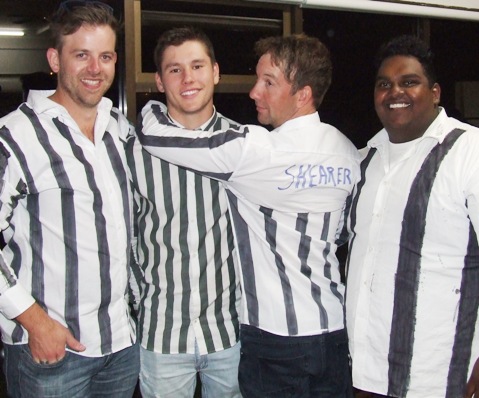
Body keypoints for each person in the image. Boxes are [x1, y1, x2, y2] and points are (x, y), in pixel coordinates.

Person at [136, 33, 360, 397]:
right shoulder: (348, 151)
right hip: (334, 330)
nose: (254, 92)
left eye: (268, 83)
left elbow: (156, 138)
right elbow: (345, 235)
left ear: (302, 94)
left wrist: (151, 108)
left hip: (274, 337)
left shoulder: (255, 151)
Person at [0, 1, 139, 397]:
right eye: (81, 55)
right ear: (54, 60)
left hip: (121, 347)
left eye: (106, 56)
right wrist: (34, 322)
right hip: (50, 353)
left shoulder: (120, 130)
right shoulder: (14, 137)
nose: (95, 69)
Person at [345, 34, 479, 398]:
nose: (394, 92)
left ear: (435, 92)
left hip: (440, 376)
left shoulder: (469, 151)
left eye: (409, 82)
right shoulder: (364, 160)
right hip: (365, 373)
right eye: (384, 84)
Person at [127, 26, 241, 397]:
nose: (188, 78)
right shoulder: (134, 151)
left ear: (216, 72)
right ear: (159, 81)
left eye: (197, 65)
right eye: (175, 70)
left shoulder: (245, 147)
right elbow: (123, 234)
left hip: (232, 333)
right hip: (161, 335)